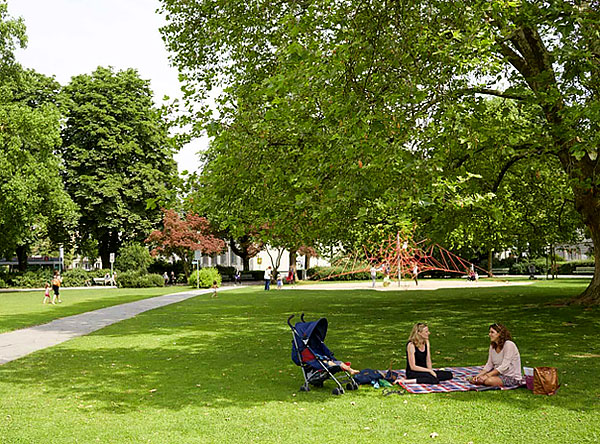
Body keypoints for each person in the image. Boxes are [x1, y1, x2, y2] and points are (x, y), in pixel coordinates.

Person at [473, 323, 523, 387]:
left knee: (488, 381)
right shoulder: (492, 346)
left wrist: (487, 375)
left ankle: (487, 380)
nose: (489, 334)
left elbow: (504, 366)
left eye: (492, 332)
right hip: (498, 375)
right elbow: (489, 364)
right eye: (489, 332)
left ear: (499, 334)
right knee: (478, 379)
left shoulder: (509, 345)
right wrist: (479, 375)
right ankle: (484, 380)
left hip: (511, 377)